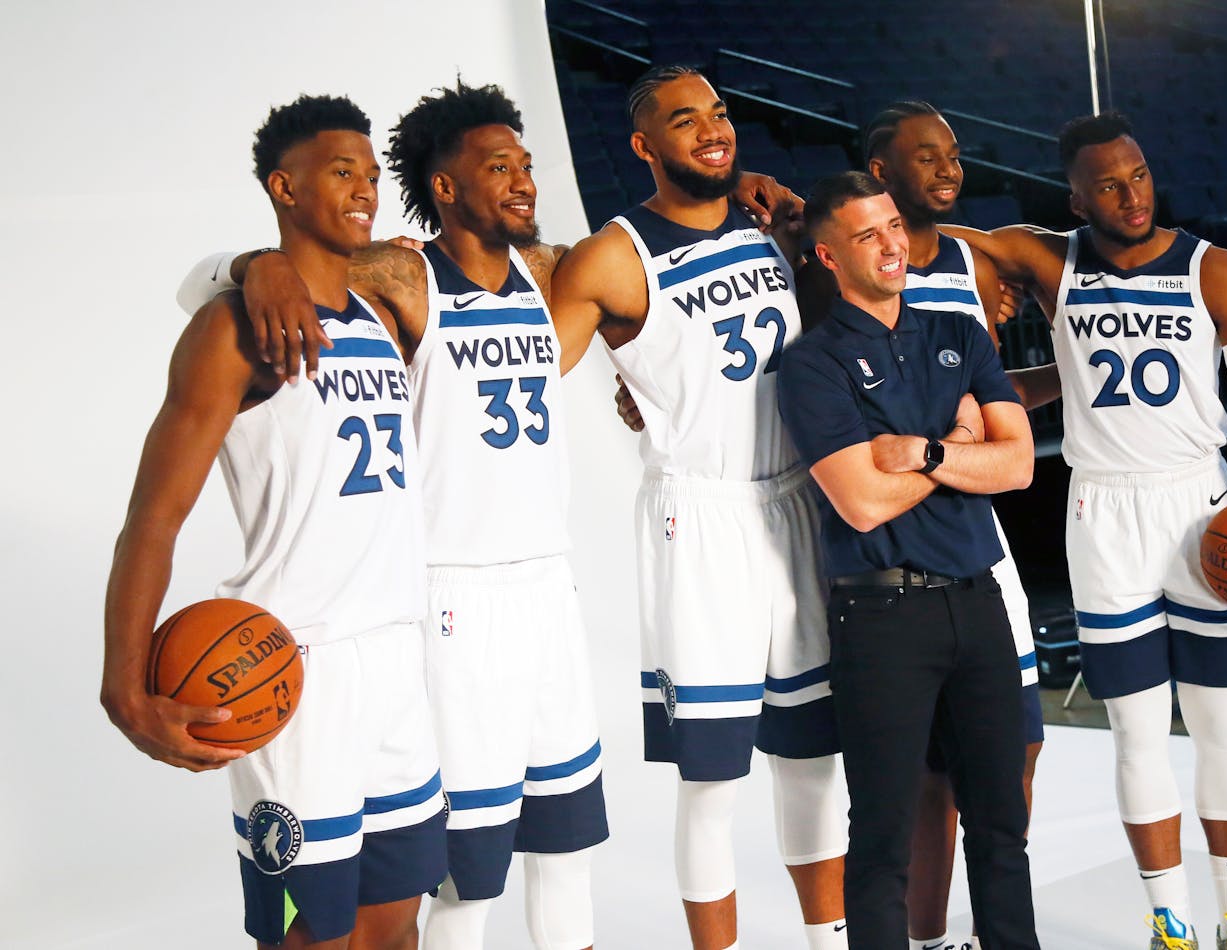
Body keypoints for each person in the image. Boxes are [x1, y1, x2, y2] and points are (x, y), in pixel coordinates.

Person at [175, 81, 609, 950]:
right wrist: (248, 265)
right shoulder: (406, 273)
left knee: (565, 844)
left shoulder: (546, 268)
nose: (525, 179)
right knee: (467, 869)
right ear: (444, 187)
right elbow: (225, 285)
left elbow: (638, 305)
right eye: (500, 166)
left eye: (526, 165)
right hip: (448, 597)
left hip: (546, 588)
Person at [957, 111, 1227, 950]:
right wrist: (991, 282)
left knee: (1219, 725)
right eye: (1107, 183)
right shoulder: (1049, 259)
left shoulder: (1217, 270)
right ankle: (1168, 921)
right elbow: (931, 233)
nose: (1131, 195)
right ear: (1075, 195)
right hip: (1104, 515)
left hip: (1203, 510)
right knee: (1134, 730)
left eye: (1138, 174)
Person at [101, 95, 445, 949]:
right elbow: (153, 516)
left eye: (370, 175)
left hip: (399, 658)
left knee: (396, 928)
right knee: (307, 939)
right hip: (296, 668)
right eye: (341, 173)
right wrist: (122, 684)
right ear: (283, 188)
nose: (366, 190)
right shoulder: (233, 332)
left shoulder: (379, 313)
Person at [551, 64, 847, 950]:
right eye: (685, 121)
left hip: (797, 502)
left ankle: (827, 943)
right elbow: (531, 371)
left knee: (811, 759)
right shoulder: (612, 256)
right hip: (703, 518)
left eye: (718, 113)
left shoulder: (773, 227)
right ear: (645, 146)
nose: (712, 129)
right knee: (711, 781)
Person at [796, 101, 1060, 950]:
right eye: (867, 236)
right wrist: (958, 448)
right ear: (830, 256)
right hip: (880, 615)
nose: (891, 245)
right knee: (880, 840)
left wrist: (921, 454)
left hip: (977, 598)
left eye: (892, 229)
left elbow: (1017, 465)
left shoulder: (957, 331)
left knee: (1001, 825)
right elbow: (860, 502)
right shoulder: (810, 364)